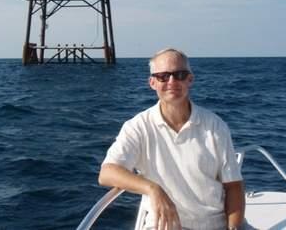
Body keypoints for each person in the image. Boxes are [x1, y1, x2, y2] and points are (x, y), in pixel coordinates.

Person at [99, 48, 245, 230]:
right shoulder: (138, 127)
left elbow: (233, 186)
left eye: (180, 75)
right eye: (163, 76)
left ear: (190, 79)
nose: (172, 81)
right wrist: (153, 189)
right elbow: (107, 173)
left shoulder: (215, 126)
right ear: (152, 82)